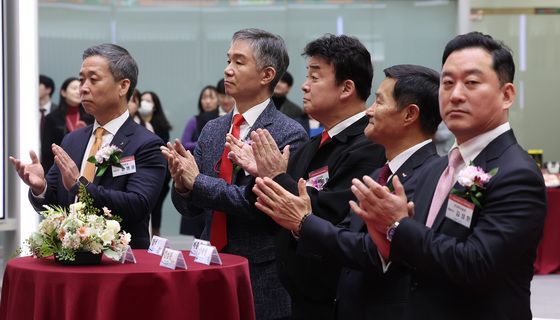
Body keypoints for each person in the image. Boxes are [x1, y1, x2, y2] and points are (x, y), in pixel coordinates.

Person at [349, 32, 547, 319]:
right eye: (447, 83)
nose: (455, 95)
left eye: (471, 83)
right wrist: (384, 239)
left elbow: (476, 265)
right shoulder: (439, 166)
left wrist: (396, 225)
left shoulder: (516, 173)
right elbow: (421, 252)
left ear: (506, 95)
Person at [252, 64, 442, 319]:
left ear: (409, 115)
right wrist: (301, 223)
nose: (370, 111)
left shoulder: (432, 174)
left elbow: (373, 250)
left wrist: (304, 222)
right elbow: (344, 231)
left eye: (379, 101)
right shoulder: (379, 174)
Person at [229, 34, 386, 320]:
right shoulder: (310, 146)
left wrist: (275, 175)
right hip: (297, 298)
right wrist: (259, 175)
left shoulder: (369, 147)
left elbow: (328, 212)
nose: (304, 85)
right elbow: (268, 213)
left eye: (315, 77)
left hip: (335, 301)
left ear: (346, 88)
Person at [162, 28, 308, 320]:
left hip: (259, 273)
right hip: (206, 263)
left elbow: (259, 206)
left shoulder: (288, 133)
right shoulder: (213, 129)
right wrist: (181, 186)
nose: (227, 70)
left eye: (239, 62)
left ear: (267, 75)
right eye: (228, 60)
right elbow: (189, 210)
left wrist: (197, 182)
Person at [10, 43, 167, 249]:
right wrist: (41, 188)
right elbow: (52, 203)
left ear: (123, 86)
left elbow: (137, 205)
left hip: (121, 263)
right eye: (81, 79)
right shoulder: (72, 140)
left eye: (93, 79)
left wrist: (80, 185)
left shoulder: (146, 144)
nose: (83, 88)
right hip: (70, 259)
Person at [41, 77, 94, 171]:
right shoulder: (52, 118)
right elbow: (47, 151)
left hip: (86, 167)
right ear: (63, 92)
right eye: (74, 88)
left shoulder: (91, 117)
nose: (78, 92)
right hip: (59, 168)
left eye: (80, 88)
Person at [138, 90, 172, 237]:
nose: (145, 104)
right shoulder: (136, 124)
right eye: (142, 100)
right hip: (140, 173)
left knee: (156, 209)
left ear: (155, 106)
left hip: (160, 175)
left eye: (149, 101)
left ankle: (156, 237)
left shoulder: (161, 127)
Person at [181, 85, 220, 152]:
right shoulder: (194, 120)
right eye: (204, 98)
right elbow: (184, 144)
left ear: (219, 100)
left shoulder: (223, 120)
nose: (207, 102)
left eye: (211, 98)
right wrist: (204, 144)